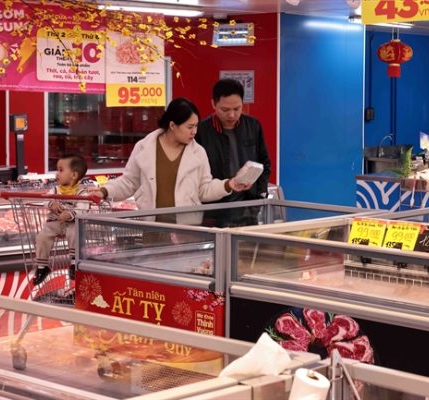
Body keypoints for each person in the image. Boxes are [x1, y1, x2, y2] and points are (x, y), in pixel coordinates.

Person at [89, 97, 250, 218]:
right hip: (152, 229)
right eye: (189, 127)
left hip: (188, 230)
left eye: (196, 126)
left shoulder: (198, 152)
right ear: (172, 125)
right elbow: (129, 182)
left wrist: (229, 185)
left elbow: (204, 190)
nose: (194, 131)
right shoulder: (144, 148)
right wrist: (104, 191)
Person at [196, 78, 271, 202]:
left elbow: (264, 163)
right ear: (213, 104)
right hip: (215, 206)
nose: (231, 115)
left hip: (249, 204)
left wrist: (260, 193)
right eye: (225, 110)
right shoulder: (201, 131)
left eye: (237, 109)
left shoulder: (253, 126)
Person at [32, 154, 89, 285]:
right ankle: (42, 267)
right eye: (57, 170)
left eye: (61, 170)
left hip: (72, 223)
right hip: (55, 222)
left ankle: (75, 263)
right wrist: (52, 204)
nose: (57, 174)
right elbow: (45, 200)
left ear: (73, 175)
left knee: (75, 232)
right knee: (42, 236)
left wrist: (70, 214)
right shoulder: (55, 189)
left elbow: (83, 207)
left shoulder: (81, 192)